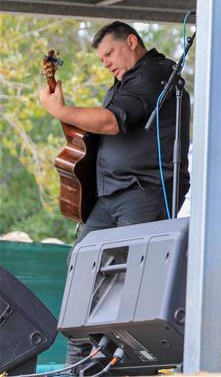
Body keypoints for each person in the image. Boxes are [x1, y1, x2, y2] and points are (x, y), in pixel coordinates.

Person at [38, 21, 191, 365]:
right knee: (82, 268)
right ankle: (79, 362)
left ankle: (115, 362)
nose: (105, 62)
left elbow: (114, 121)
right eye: (102, 57)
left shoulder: (154, 75)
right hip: (111, 195)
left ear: (132, 42)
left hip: (144, 190)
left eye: (109, 53)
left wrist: (61, 111)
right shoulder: (125, 83)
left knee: (129, 280)